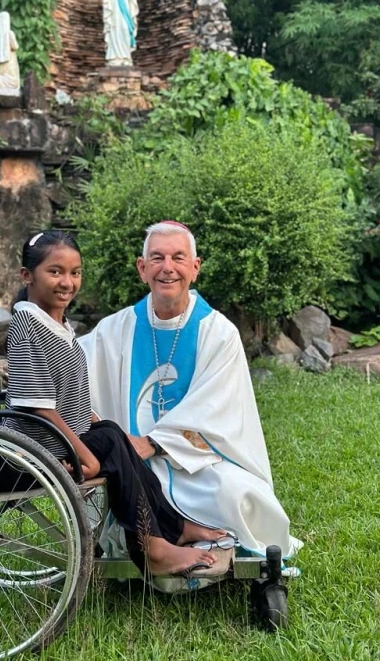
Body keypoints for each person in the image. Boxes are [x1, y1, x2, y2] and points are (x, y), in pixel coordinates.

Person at [5, 229, 228, 576]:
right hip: (40, 446)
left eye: (75, 273)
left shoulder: (53, 323)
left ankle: (174, 527)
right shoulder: (27, 328)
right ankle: (151, 548)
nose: (67, 282)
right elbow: (39, 406)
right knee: (111, 443)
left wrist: (93, 421)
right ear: (27, 275)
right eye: (55, 272)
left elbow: (68, 392)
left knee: (114, 434)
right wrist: (86, 455)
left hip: (58, 437)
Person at [79, 221, 302, 560]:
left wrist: (153, 442)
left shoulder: (218, 333)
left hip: (197, 463)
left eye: (178, 258)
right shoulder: (117, 328)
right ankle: (172, 541)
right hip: (136, 464)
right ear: (142, 269)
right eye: (156, 258)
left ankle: (192, 538)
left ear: (195, 268)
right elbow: (72, 364)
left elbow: (217, 410)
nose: (167, 268)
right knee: (132, 486)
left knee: (235, 495)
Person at [0, 11, 20, 94]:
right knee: (13, 80)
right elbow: (15, 46)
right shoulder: (9, 33)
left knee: (3, 75)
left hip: (0, 61)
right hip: (9, 59)